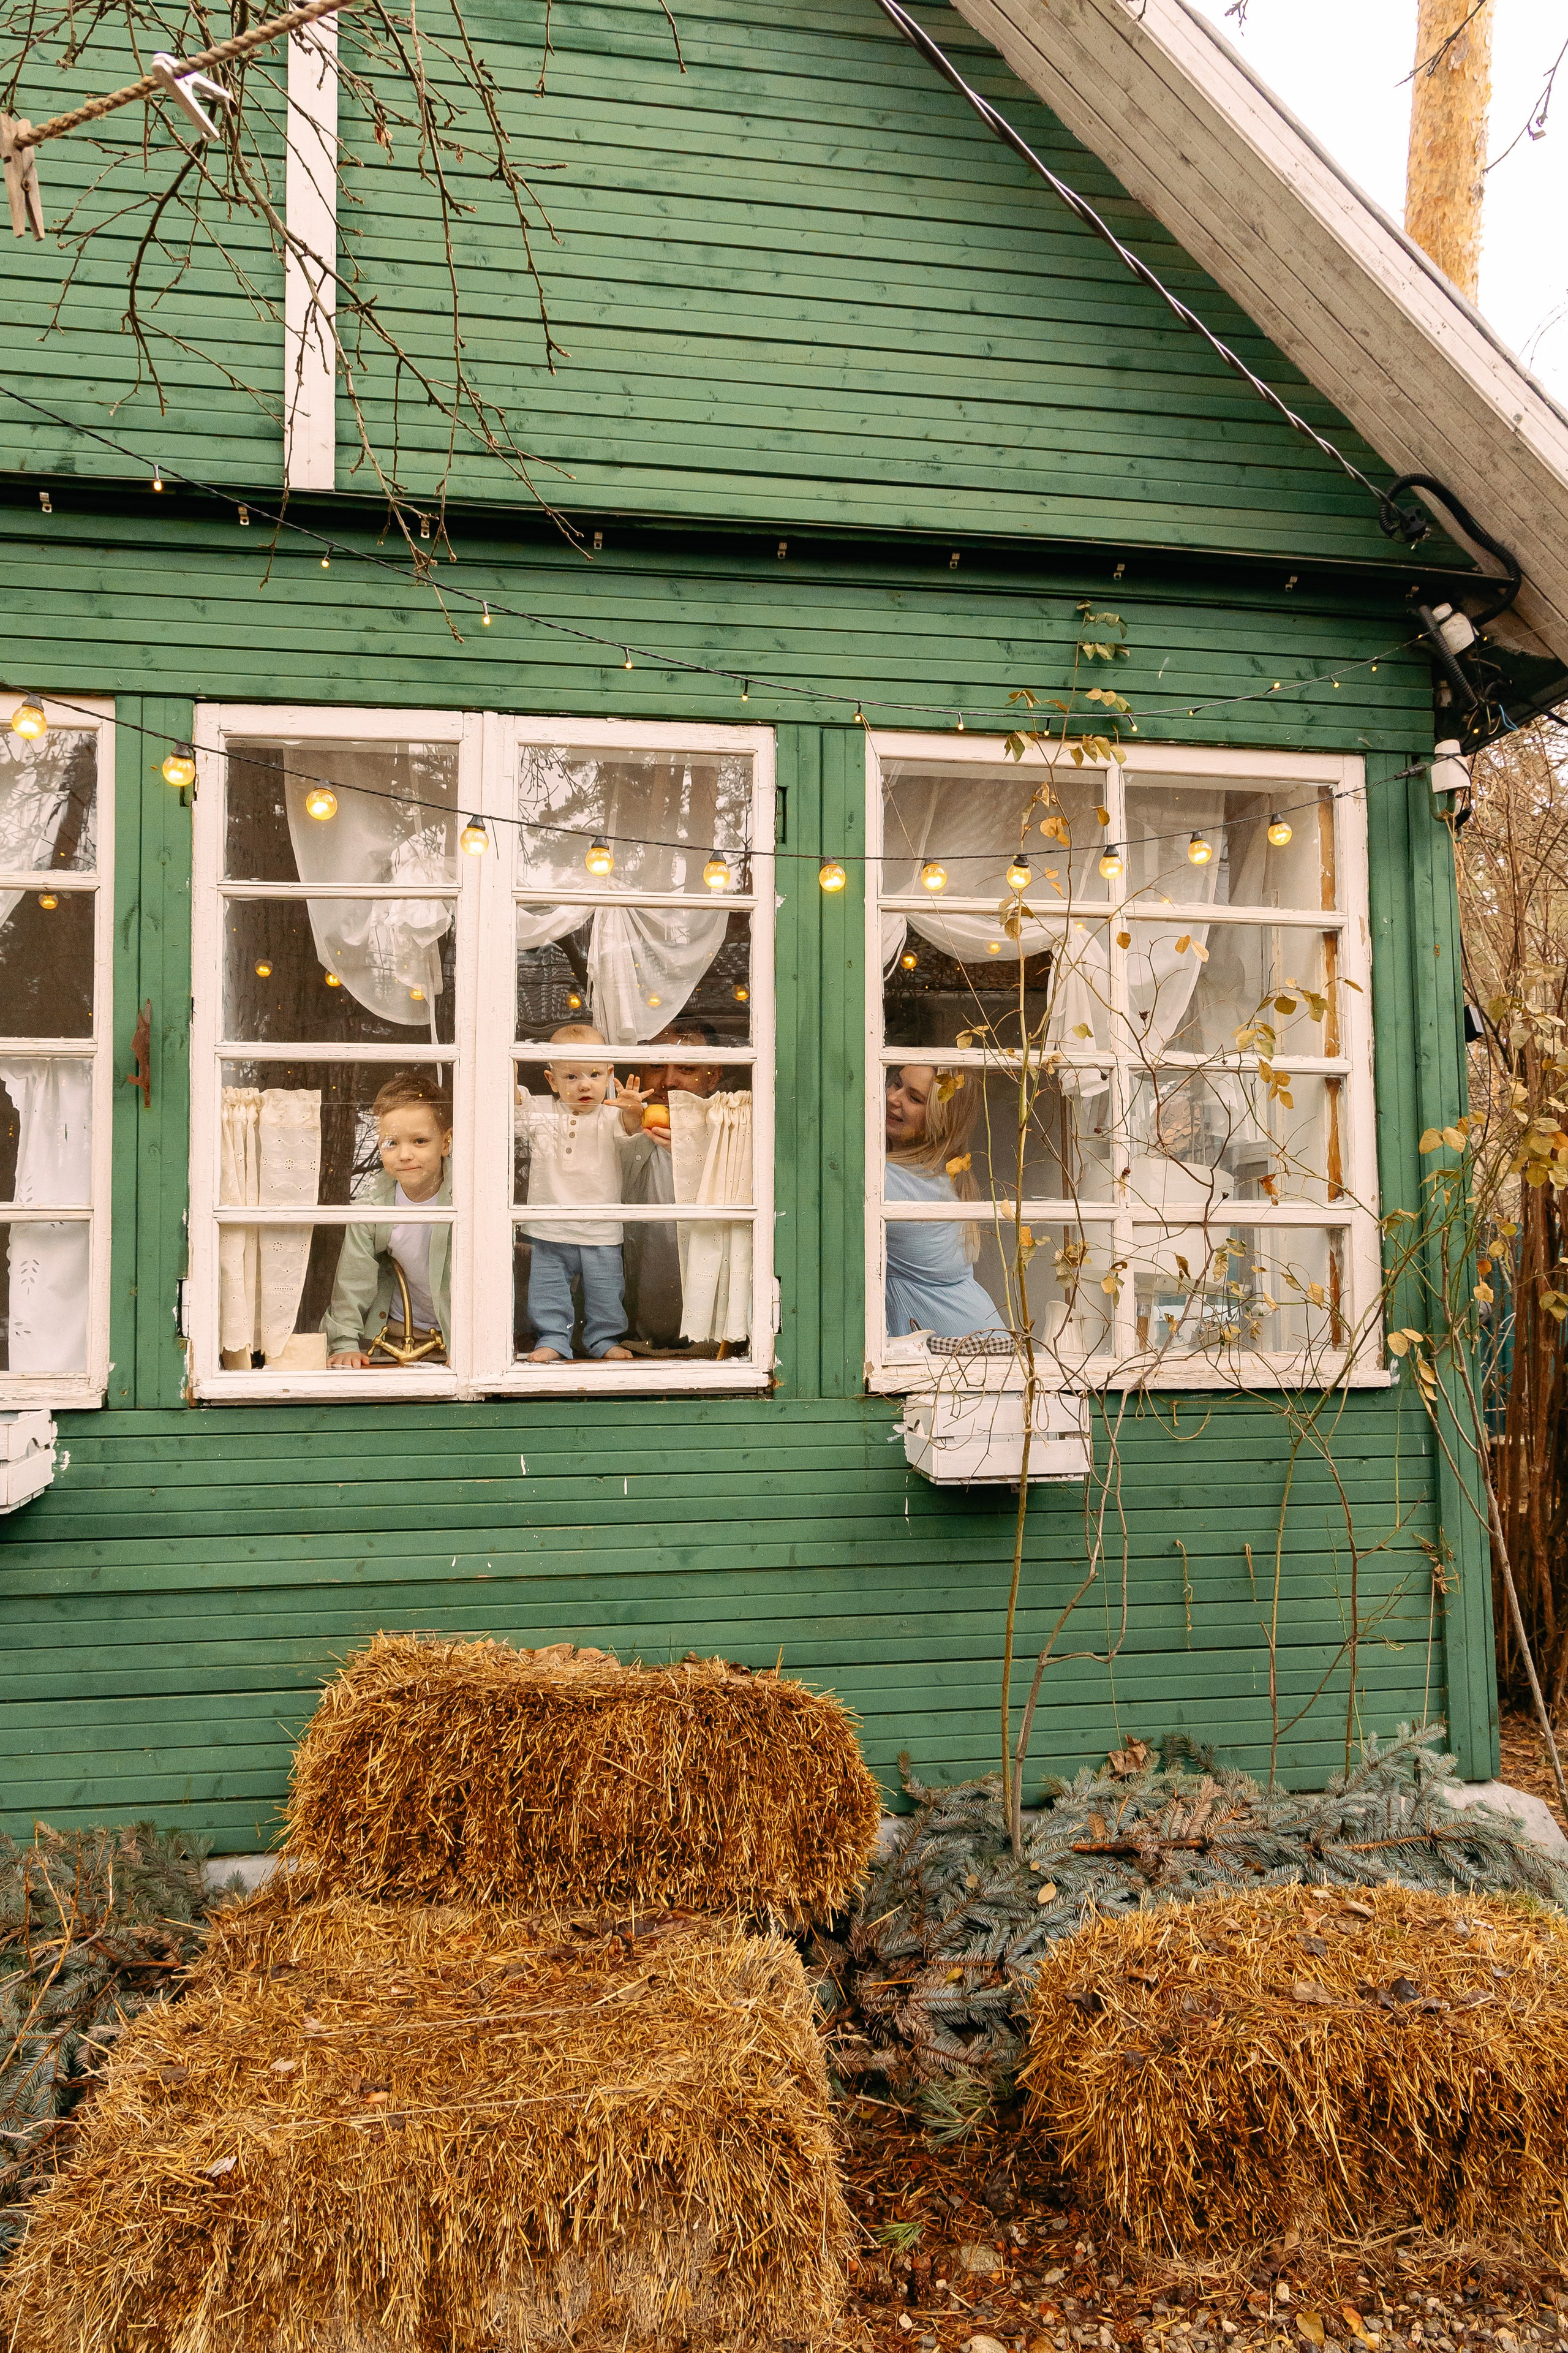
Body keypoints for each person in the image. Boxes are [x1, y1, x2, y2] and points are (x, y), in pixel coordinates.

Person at [515, 1022, 648, 1364]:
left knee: (607, 1291)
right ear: (552, 1081)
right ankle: (553, 1338)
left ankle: (603, 1339)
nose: (585, 1085)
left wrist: (634, 1109)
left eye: (594, 1074)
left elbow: (632, 1129)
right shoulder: (543, 1111)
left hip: (600, 1227)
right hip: (549, 1226)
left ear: (609, 1075)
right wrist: (507, 1074)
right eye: (571, 1077)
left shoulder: (612, 1115)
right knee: (547, 1291)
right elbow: (515, 1109)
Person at [324, 1071, 453, 1367]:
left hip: (457, 1332)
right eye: (391, 1143)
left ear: (445, 1142)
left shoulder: (467, 1197)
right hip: (396, 1334)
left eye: (420, 1141)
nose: (405, 1155)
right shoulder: (373, 1202)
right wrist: (344, 1342)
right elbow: (353, 1277)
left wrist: (474, 1342)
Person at [884, 1063, 1008, 1341]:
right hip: (979, 1333)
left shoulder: (893, 1181)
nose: (893, 1097)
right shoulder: (945, 1174)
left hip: (966, 1350)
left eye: (914, 1098)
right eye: (896, 1083)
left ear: (941, 1120)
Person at [620, 1021, 724, 1348]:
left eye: (686, 1068)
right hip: (625, 1337)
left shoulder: (729, 1131)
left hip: (706, 1341)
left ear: (713, 1075)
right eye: (656, 1066)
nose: (668, 1081)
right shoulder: (615, 1124)